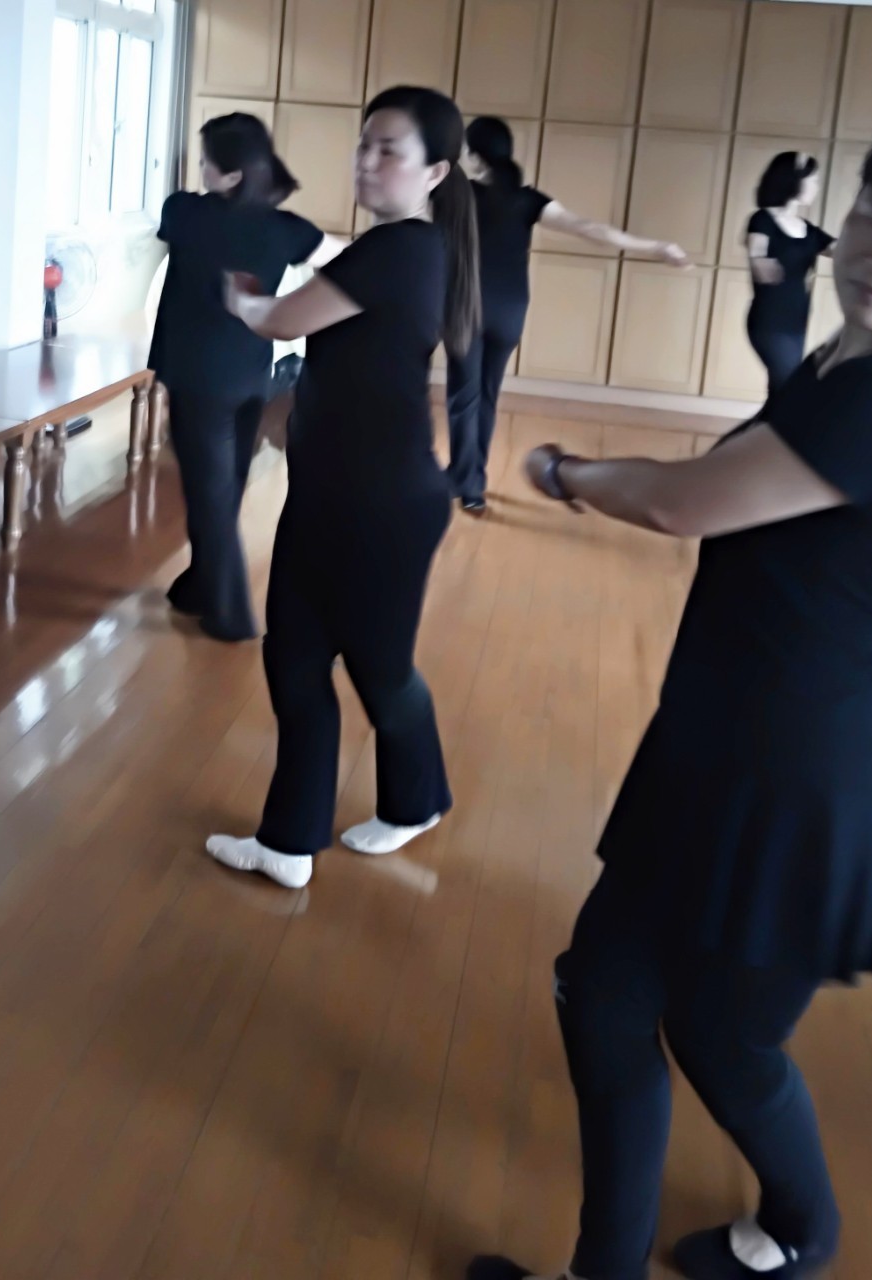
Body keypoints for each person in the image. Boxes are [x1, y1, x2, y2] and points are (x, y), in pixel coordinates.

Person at [468, 107, 872, 1280]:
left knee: (724, 1039)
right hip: (720, 748)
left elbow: (682, 502)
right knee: (602, 992)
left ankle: (802, 1229)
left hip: (799, 782)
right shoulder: (848, 360)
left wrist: (563, 468)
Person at [206, 85, 481, 889]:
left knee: (379, 669)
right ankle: (289, 842)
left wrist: (241, 298)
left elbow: (280, 322)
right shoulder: (396, 250)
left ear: (434, 172)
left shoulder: (398, 250)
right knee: (295, 656)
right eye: (364, 144)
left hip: (382, 506)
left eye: (388, 149)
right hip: (336, 495)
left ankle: (416, 800)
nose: (367, 161)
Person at [149, 112, 342, 642]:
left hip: (198, 380)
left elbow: (179, 235)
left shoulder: (183, 211)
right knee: (224, 486)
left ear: (232, 175)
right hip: (254, 376)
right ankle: (200, 585)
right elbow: (348, 263)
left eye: (206, 161)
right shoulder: (288, 228)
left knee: (209, 493)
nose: (200, 168)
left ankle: (231, 614)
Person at [447, 116, 689, 515]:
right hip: (510, 311)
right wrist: (655, 247)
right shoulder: (528, 200)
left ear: (473, 155)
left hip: (465, 308)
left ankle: (467, 483)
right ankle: (472, 481)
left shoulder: (459, 193)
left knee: (464, 396)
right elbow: (588, 227)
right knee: (487, 395)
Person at [745, 151, 834, 399]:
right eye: (813, 180)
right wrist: (760, 263)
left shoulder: (809, 231)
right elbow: (756, 252)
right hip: (769, 321)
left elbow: (842, 250)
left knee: (779, 393)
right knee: (788, 390)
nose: (817, 187)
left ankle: (764, 424)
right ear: (794, 180)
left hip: (796, 321)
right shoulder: (762, 219)